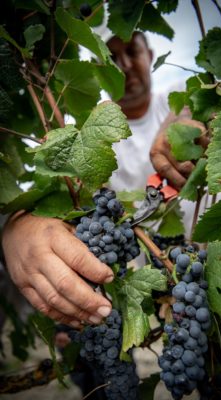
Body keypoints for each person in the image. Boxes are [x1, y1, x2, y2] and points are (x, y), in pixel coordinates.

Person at [1, 31, 206, 329]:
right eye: (110, 58)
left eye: (132, 52)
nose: (123, 64)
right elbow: (47, 201)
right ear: (98, 69)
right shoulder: (85, 142)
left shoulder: (177, 98)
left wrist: (194, 115)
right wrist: (15, 227)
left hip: (216, 267)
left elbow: (213, 93)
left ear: (149, 55)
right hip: (167, 279)